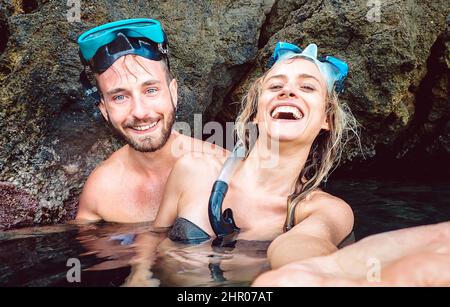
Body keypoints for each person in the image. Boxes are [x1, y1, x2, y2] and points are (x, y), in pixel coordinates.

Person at [155, 42, 358, 269]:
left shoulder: (325, 210)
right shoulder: (193, 169)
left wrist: (302, 270)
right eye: (275, 86)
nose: (288, 91)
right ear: (256, 114)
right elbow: (151, 244)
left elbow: (307, 247)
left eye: (308, 88)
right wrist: (138, 276)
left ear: (327, 120)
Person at [74, 19, 227, 223]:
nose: (140, 112)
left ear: (173, 92)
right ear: (104, 109)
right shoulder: (100, 192)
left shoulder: (223, 168)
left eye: (151, 90)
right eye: (120, 97)